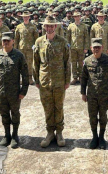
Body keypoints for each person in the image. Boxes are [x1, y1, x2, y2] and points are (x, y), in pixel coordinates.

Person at [33, 15, 71, 148]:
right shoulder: (38, 42)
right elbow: (36, 63)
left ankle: (59, 132)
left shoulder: (62, 42)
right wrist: (36, 80)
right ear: (44, 27)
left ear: (55, 27)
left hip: (59, 81)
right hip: (44, 82)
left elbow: (67, 62)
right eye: (47, 25)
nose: (49, 28)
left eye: (51, 26)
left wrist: (67, 80)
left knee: (58, 107)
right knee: (47, 108)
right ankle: (50, 132)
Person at [0, 32, 29, 148]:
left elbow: (25, 74)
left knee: (15, 114)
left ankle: (15, 135)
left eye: (8, 41)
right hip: (0, 91)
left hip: (15, 92)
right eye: (4, 41)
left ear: (13, 41)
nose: (5, 43)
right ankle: (6, 135)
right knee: (4, 114)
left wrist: (23, 91)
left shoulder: (19, 55)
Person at [80, 38, 108, 150]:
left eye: (98, 47)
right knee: (92, 117)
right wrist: (83, 93)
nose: (96, 49)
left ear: (102, 48)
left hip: (104, 95)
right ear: (91, 48)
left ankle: (101, 137)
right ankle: (94, 137)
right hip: (91, 95)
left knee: (103, 117)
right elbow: (84, 78)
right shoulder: (87, 61)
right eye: (94, 47)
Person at [14, 11, 39, 85]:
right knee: (21, 63)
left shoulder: (33, 26)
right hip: (21, 47)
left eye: (27, 17)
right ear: (22, 17)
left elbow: (36, 38)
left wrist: (36, 47)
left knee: (30, 63)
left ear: (29, 17)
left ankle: (30, 78)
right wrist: (15, 48)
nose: (25, 18)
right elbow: (16, 38)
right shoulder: (19, 27)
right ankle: (22, 78)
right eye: (24, 17)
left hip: (30, 48)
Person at [66, 12, 89, 84]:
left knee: (81, 63)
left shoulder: (84, 26)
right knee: (73, 63)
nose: (77, 18)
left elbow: (86, 38)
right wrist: (68, 46)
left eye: (78, 16)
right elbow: (68, 37)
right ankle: (75, 77)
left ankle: (81, 77)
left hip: (81, 47)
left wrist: (86, 47)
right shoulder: (70, 26)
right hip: (73, 47)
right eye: (75, 16)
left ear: (80, 17)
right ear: (73, 17)